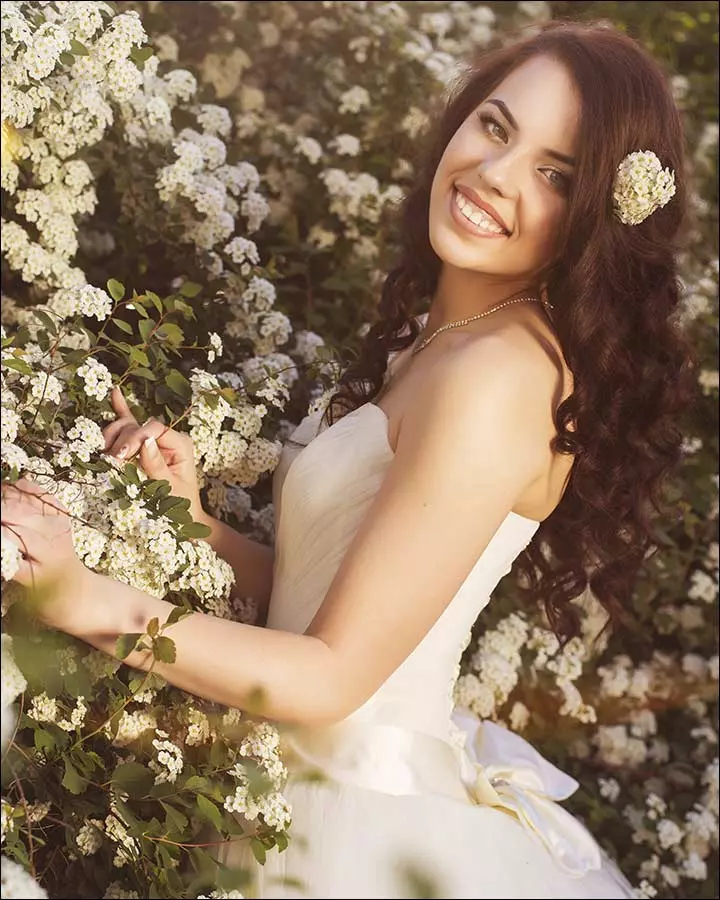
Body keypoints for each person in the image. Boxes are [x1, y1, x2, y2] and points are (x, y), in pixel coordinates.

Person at [2, 20, 696, 900]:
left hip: (354, 823)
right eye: (494, 126)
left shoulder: (502, 376)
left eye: (555, 175)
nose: (493, 175)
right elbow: (325, 596)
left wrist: (82, 598)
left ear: (595, 217)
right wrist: (195, 525)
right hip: (278, 781)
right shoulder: (445, 337)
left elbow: (333, 673)